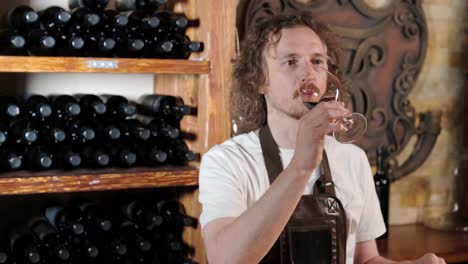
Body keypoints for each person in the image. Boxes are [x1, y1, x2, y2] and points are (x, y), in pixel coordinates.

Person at [198, 12, 445, 264]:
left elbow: (365, 259)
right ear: (260, 80)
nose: (309, 73)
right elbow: (224, 259)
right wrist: (301, 165)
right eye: (291, 61)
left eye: (317, 61)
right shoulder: (225, 161)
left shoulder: (353, 159)